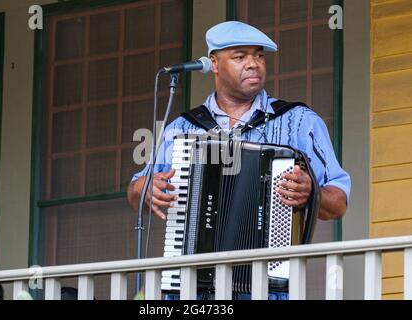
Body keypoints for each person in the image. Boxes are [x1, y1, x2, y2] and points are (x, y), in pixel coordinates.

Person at [127, 21, 351, 299]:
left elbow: (338, 202)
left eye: (259, 55)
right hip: (193, 291)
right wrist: (146, 190)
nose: (254, 63)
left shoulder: (299, 122)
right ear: (214, 63)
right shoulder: (182, 130)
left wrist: (311, 192)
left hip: (267, 289)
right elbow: (137, 194)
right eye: (240, 56)